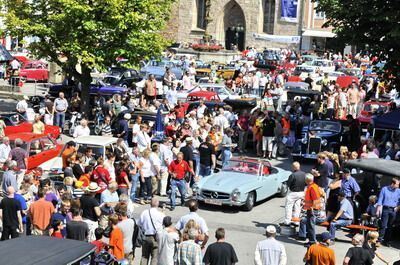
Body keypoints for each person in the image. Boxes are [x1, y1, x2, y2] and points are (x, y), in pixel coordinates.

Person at [138, 198, 165, 265]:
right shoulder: (161, 214)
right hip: (156, 237)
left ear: (150, 204)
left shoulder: (144, 212)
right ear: (158, 204)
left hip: (146, 236)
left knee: (144, 256)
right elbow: (165, 224)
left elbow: (139, 224)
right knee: (155, 257)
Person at [298, 174, 323, 246]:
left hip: (312, 210)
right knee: (309, 225)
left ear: (307, 180)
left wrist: (312, 209)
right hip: (311, 209)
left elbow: (315, 199)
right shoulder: (313, 186)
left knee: (311, 226)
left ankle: (312, 242)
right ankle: (311, 241)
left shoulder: (312, 187)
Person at [376, 177, 400, 246]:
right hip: (385, 209)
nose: (398, 186)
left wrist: (398, 207)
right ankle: (379, 240)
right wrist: (378, 209)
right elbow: (380, 199)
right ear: (392, 184)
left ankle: (387, 241)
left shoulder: (398, 191)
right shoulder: (384, 189)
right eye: (397, 184)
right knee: (383, 225)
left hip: (393, 210)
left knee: (390, 226)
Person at [280, 161, 306, 226]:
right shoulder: (304, 174)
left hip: (293, 193)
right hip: (301, 192)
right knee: (297, 207)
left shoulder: (293, 175)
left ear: (294, 167)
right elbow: (306, 183)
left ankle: (287, 221)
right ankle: (296, 221)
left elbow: (288, 184)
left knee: (288, 206)